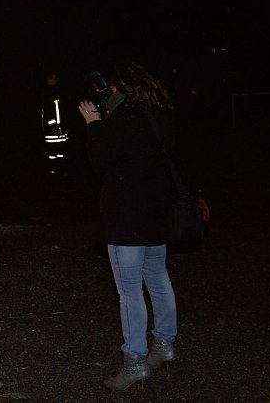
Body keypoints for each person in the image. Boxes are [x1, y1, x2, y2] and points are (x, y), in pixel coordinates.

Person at [78, 61, 178, 391]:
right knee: (158, 279)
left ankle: (134, 362)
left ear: (126, 87)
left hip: (127, 218)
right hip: (156, 212)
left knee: (129, 291)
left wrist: (93, 124)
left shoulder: (124, 118)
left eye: (114, 87)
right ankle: (164, 346)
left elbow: (100, 162)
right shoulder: (159, 113)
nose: (109, 91)